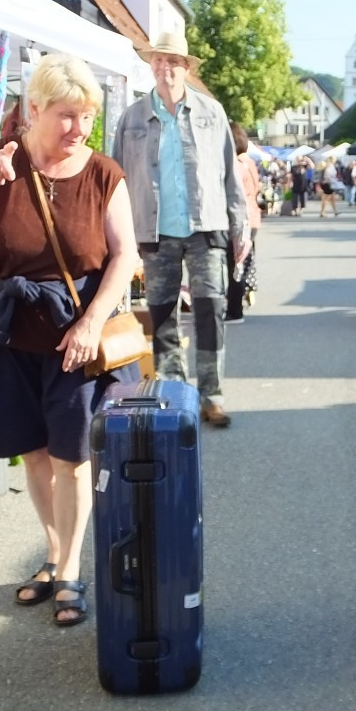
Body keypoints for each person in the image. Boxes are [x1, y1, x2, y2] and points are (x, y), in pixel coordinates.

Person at [0, 54, 139, 626]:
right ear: (33, 110)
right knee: (35, 452)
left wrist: (93, 321)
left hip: (75, 334)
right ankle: (52, 555)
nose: (78, 129)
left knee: (73, 457)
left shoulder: (103, 173)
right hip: (8, 331)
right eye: (67, 115)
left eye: (86, 117)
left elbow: (125, 257)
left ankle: (72, 568)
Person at [112, 30, 249, 428]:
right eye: (158, 60)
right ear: (150, 65)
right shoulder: (133, 117)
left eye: (173, 61)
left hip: (206, 227)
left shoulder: (211, 113)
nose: (164, 68)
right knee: (163, 315)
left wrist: (240, 226)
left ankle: (212, 396)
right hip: (154, 233)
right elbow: (117, 177)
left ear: (187, 68)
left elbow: (229, 174)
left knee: (210, 310)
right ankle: (176, 395)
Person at [225, 122, 262, 325]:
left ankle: (234, 310)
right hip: (253, 216)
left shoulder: (235, 165)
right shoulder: (250, 163)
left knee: (234, 264)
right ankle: (242, 299)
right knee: (243, 261)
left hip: (240, 218)